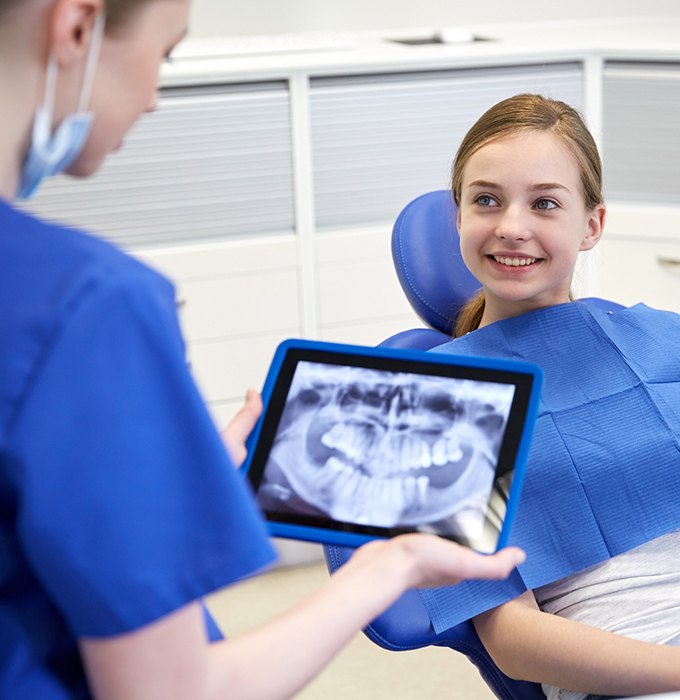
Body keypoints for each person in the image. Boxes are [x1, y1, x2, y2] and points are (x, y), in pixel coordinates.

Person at [0, 0, 526, 698]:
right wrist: (386, 569)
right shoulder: (89, 303)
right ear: (75, 28)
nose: (155, 95)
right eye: (164, 54)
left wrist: (151, 484)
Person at [429, 93, 680, 699]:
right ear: (456, 217)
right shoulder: (431, 403)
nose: (512, 226)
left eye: (544, 203)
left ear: (591, 224)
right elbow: (513, 642)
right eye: (486, 199)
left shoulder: (664, 338)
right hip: (635, 669)